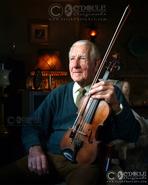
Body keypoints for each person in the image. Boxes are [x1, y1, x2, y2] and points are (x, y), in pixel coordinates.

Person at [0, 40, 140, 185]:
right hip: (50, 158)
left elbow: (132, 134)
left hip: (85, 164)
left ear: (96, 64)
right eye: (72, 59)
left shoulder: (112, 94)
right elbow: (31, 124)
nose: (75, 65)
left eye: (82, 58)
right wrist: (34, 148)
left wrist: (117, 106)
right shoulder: (59, 93)